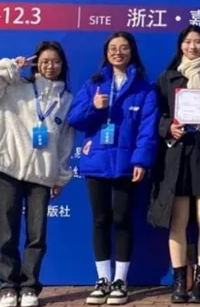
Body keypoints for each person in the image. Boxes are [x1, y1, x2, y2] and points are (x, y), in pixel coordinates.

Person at [0, 41, 75, 307]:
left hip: (42, 174)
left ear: (63, 65)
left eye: (56, 61)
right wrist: (8, 66)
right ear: (35, 63)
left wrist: (60, 176)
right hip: (9, 168)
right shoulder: (14, 87)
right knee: (7, 231)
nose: (50, 66)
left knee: (37, 235)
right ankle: (8, 287)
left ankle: (30, 286)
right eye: (45, 61)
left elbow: (65, 142)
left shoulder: (66, 99)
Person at [67, 31, 159, 306]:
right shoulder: (93, 84)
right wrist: (94, 107)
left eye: (124, 47)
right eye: (113, 48)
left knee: (122, 219)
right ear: (106, 53)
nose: (118, 52)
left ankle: (120, 281)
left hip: (126, 164)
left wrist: (141, 160)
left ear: (132, 52)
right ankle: (102, 280)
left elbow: (147, 129)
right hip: (96, 162)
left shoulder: (145, 89)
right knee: (100, 220)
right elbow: (75, 120)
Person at [148, 25, 200, 304]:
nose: (192, 46)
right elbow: (156, 116)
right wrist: (168, 128)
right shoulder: (167, 77)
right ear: (180, 45)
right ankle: (179, 282)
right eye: (188, 42)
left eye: (197, 42)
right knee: (178, 220)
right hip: (178, 155)